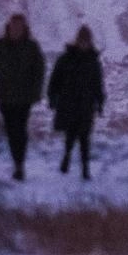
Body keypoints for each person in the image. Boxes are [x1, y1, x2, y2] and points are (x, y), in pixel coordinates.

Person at [0, 14, 46, 180]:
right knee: (11, 130)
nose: (16, 30)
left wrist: (36, 92)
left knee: (19, 129)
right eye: (14, 26)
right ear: (9, 27)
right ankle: (18, 162)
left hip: (25, 97)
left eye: (19, 27)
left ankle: (19, 165)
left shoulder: (32, 47)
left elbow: (39, 71)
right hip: (5, 97)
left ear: (24, 28)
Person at [48, 25, 105, 180]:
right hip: (69, 104)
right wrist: (53, 98)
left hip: (86, 105)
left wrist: (100, 103)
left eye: (86, 41)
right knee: (70, 135)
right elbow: (54, 81)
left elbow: (98, 84)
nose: (84, 44)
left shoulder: (93, 62)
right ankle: (66, 157)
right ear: (77, 41)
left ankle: (85, 169)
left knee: (85, 138)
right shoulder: (65, 59)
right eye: (82, 41)